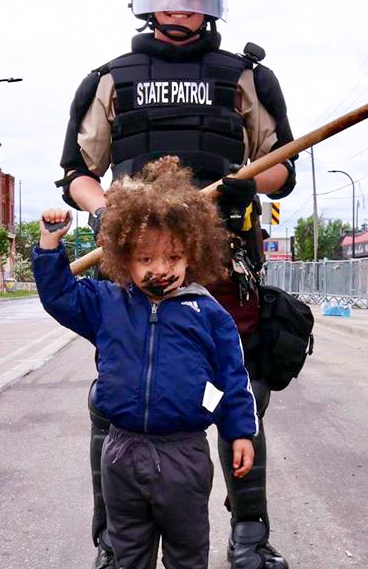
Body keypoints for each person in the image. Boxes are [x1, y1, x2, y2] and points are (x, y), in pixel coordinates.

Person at [56, 0, 297, 569]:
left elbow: (283, 169)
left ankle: (249, 538)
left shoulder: (245, 77)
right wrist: (105, 207)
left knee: (233, 392)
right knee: (120, 396)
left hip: (223, 269)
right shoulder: (110, 79)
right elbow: (78, 173)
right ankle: (115, 544)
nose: (180, 8)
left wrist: (253, 182)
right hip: (136, 272)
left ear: (214, 2)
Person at [33, 157, 257, 569]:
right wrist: (50, 244)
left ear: (193, 254)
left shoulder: (209, 315)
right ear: (122, 257)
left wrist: (240, 432)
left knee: (187, 553)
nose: (161, 270)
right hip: (121, 453)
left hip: (184, 454)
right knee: (127, 552)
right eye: (146, 259)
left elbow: (233, 379)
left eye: (172, 258)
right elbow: (59, 296)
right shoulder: (107, 304)